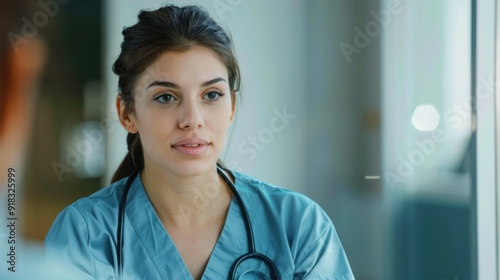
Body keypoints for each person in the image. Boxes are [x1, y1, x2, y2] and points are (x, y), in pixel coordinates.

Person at [45, 4, 355, 279]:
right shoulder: (85, 234)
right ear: (127, 114)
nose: (192, 119)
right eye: (166, 97)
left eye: (211, 95)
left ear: (231, 106)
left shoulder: (298, 227)